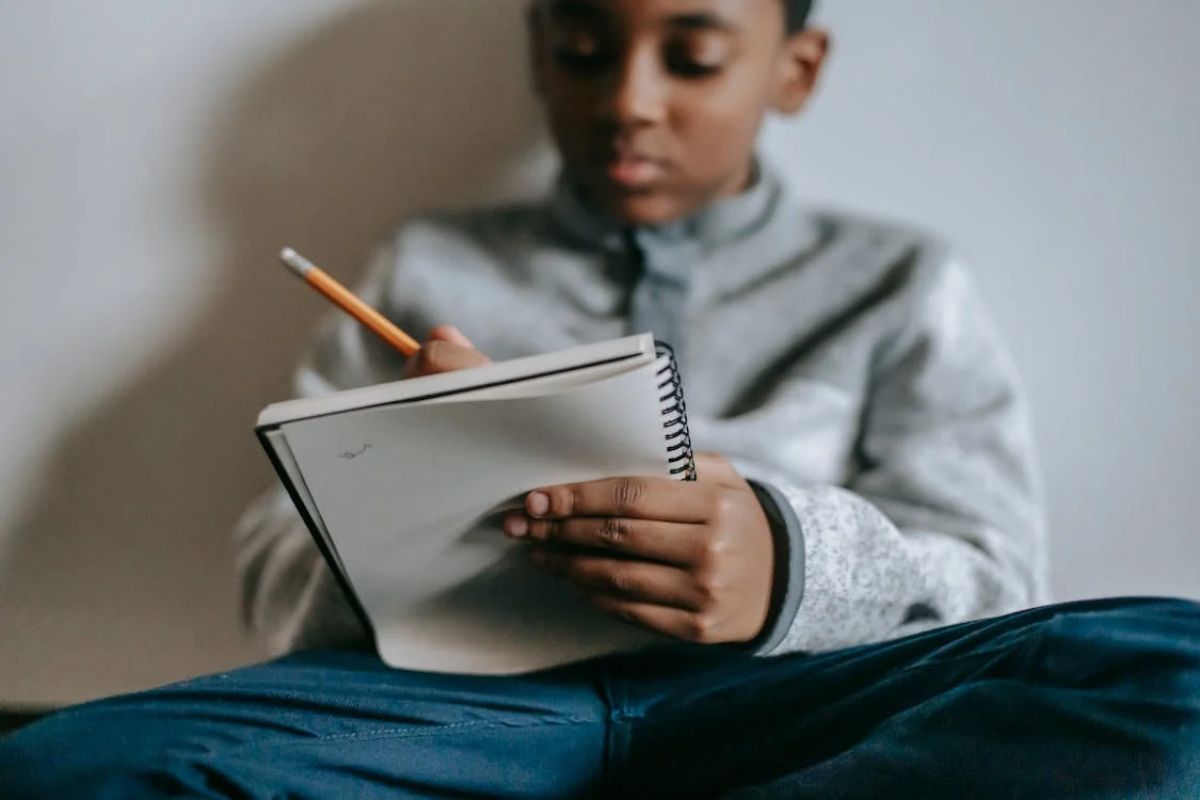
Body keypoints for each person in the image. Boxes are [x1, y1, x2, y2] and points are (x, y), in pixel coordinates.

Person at [3, 0, 1198, 797]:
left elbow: (998, 580)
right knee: (64, 766)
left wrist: (789, 562)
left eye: (692, 55)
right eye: (582, 50)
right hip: (456, 712)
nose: (629, 99)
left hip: (791, 708)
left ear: (797, 68)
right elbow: (270, 569)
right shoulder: (431, 266)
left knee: (1174, 670)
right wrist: (407, 481)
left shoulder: (898, 280)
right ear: (536, 51)